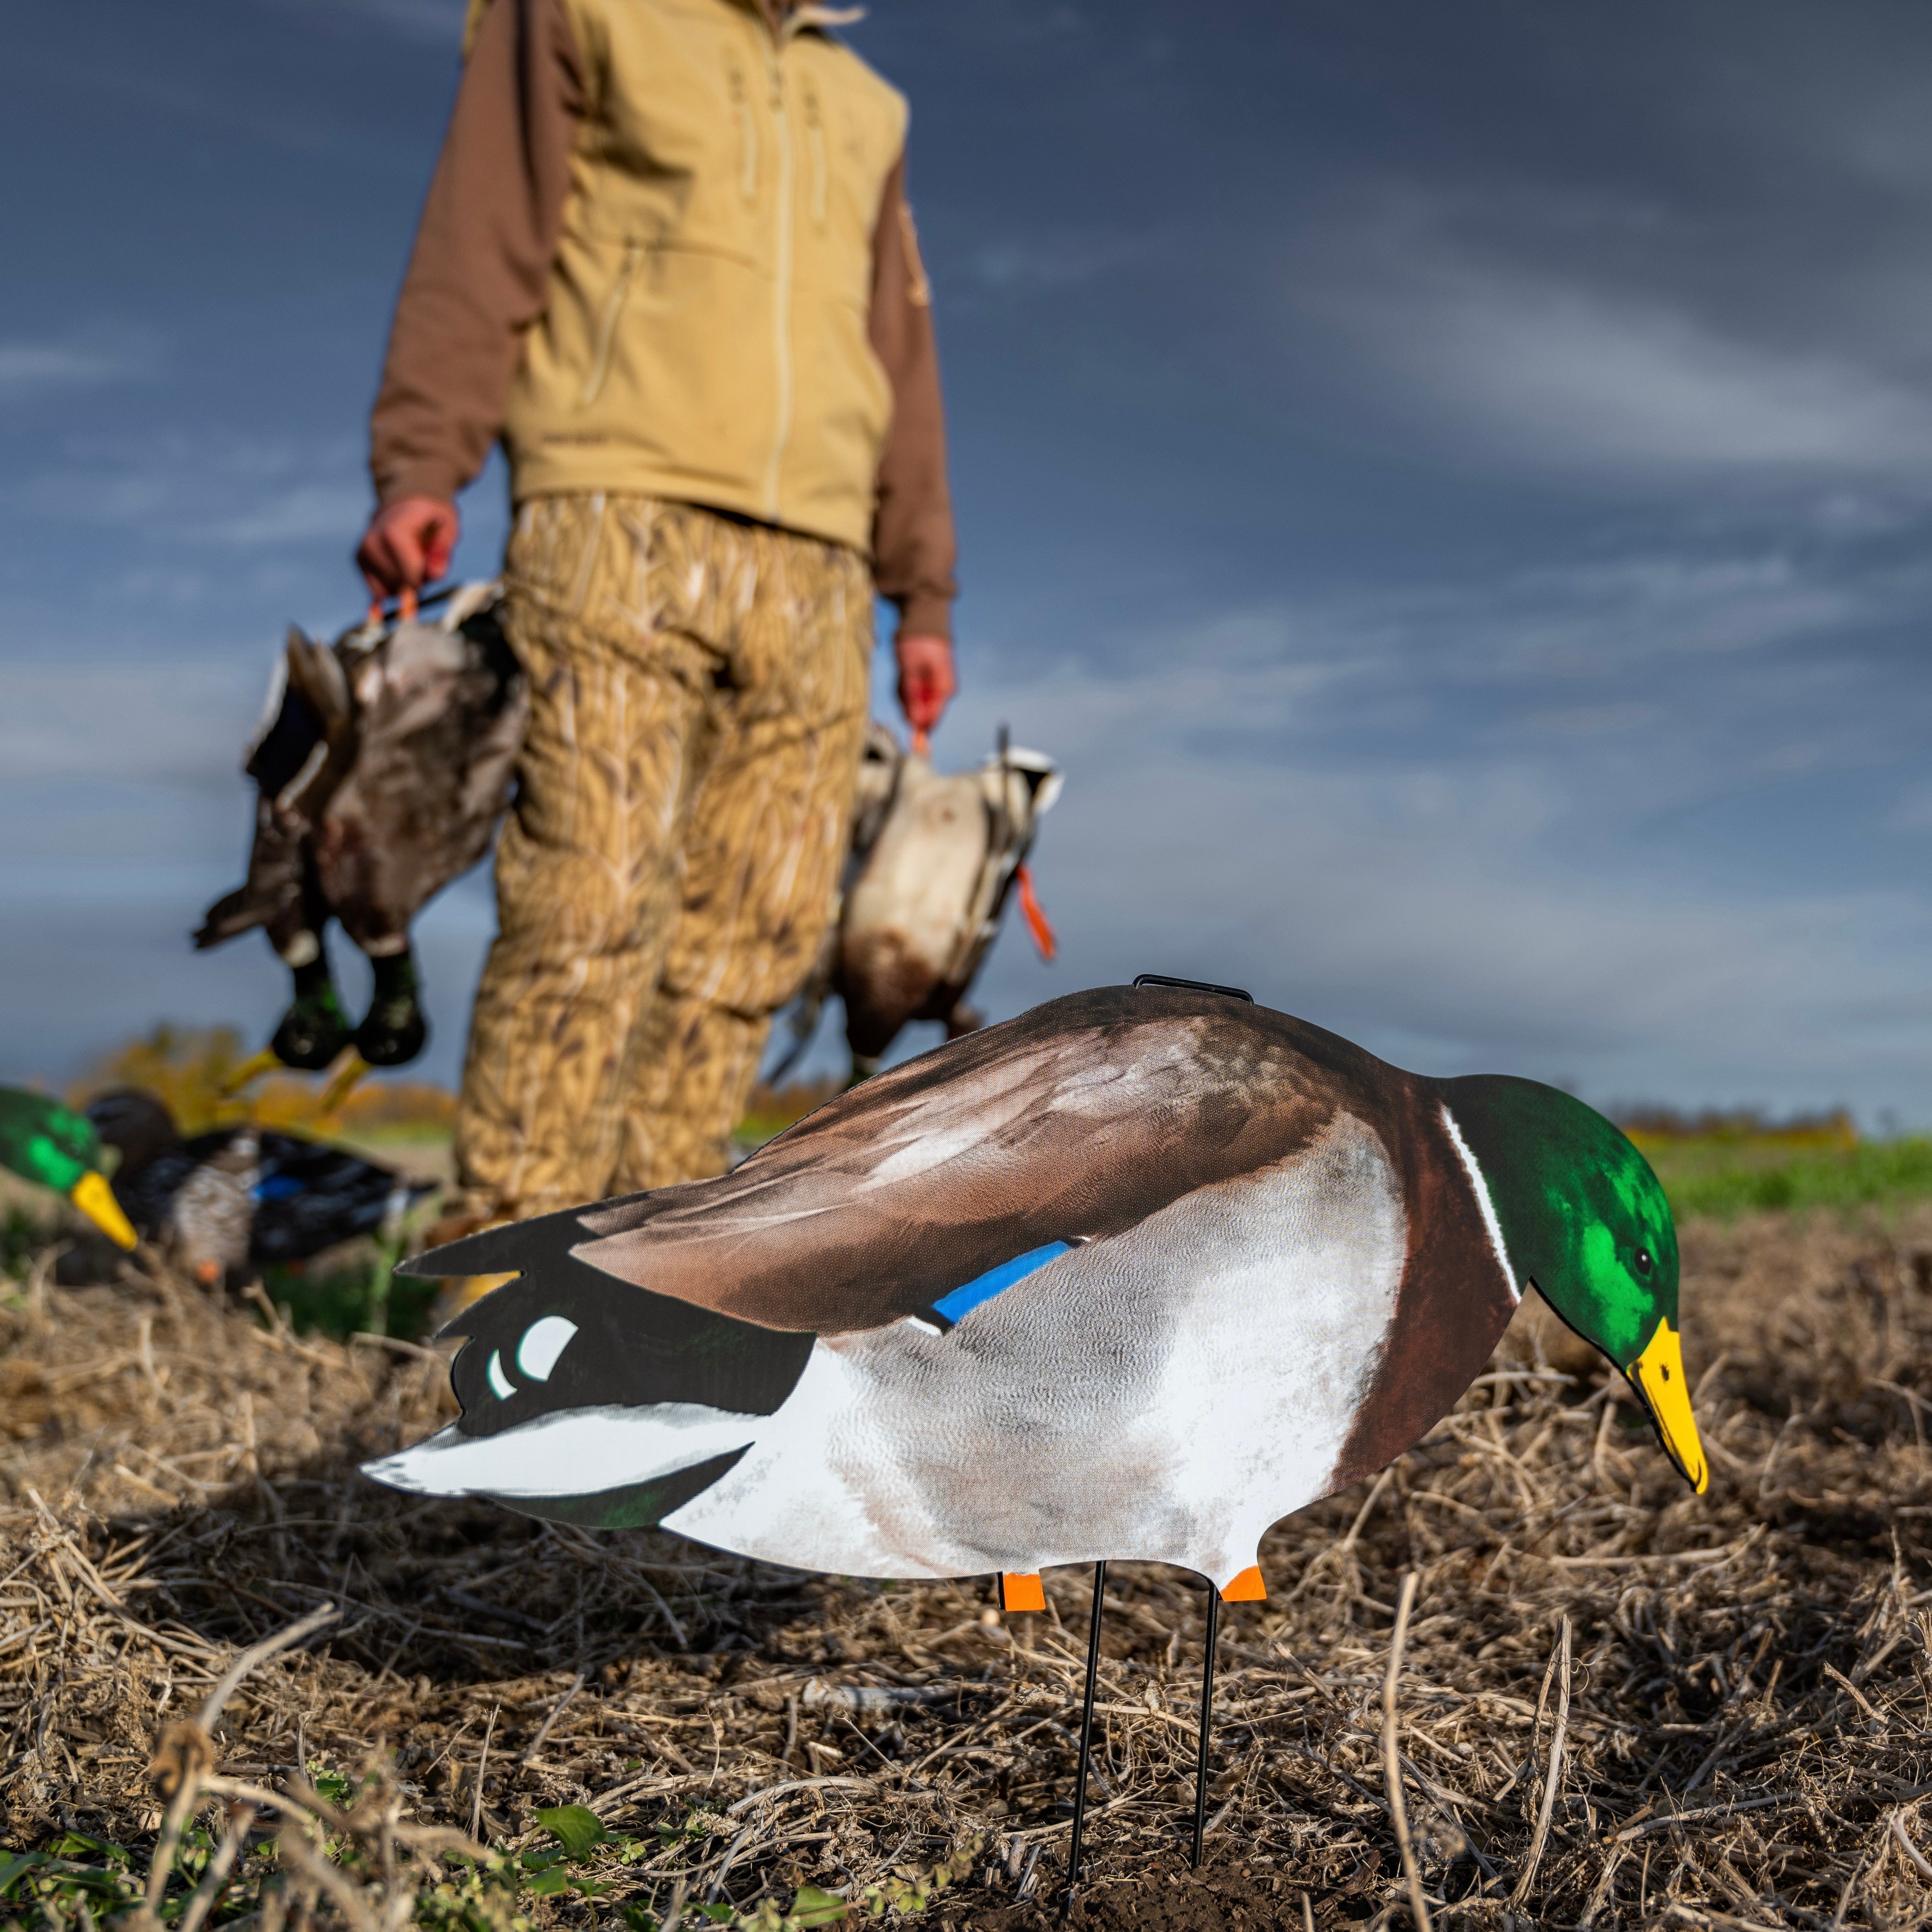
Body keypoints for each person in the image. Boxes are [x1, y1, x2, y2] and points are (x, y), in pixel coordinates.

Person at [355, 0, 958, 1228]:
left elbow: (897, 353)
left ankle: (651, 1285)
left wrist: (923, 591)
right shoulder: (584, 12)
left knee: (757, 938)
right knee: (588, 899)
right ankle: (506, 1292)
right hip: (615, 508)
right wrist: (425, 461)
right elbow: (487, 233)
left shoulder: (865, 105)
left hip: (822, 568)